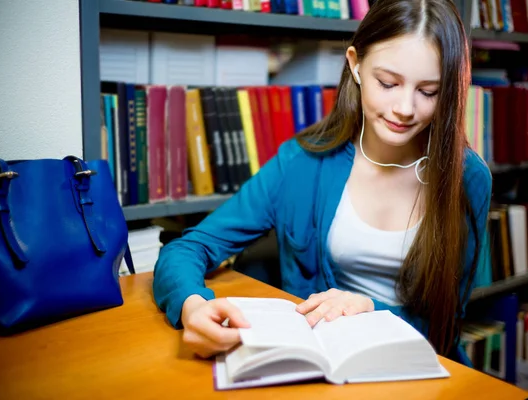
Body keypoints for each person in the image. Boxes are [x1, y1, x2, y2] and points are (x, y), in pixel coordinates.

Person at [153, 0, 492, 366]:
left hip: (415, 367)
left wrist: (368, 309)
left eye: (429, 91)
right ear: (355, 64)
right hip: (319, 367)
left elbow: (445, 326)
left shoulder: (468, 178)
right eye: (388, 83)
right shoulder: (303, 162)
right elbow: (186, 249)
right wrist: (192, 305)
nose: (405, 108)